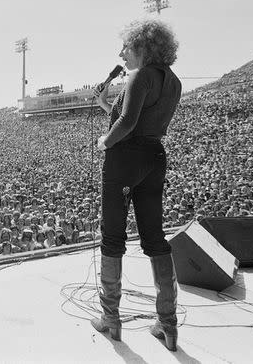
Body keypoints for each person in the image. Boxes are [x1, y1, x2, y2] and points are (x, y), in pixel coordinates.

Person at [91, 18, 181, 351]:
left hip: (124, 160)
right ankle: (168, 324)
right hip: (154, 158)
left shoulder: (140, 75)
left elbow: (127, 123)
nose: (121, 53)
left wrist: (104, 142)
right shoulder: (173, 81)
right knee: (155, 237)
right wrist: (105, 105)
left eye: (126, 47)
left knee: (113, 237)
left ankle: (111, 320)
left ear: (143, 47)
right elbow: (143, 121)